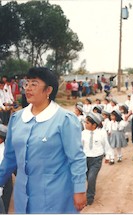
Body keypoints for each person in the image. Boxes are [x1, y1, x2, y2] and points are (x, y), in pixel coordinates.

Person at [0, 67, 87, 213]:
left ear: (48, 90)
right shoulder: (16, 119)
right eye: (27, 83)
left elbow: (76, 158)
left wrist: (79, 190)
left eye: (34, 84)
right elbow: (9, 157)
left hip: (55, 194)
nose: (28, 88)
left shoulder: (64, 120)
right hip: (23, 194)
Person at [82, 112, 112, 206]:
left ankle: (89, 197)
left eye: (87, 123)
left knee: (91, 178)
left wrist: (108, 156)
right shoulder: (83, 133)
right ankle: (90, 189)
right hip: (85, 158)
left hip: (97, 159)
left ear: (94, 125)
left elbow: (106, 145)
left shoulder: (101, 133)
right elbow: (79, 146)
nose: (85, 124)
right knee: (87, 177)